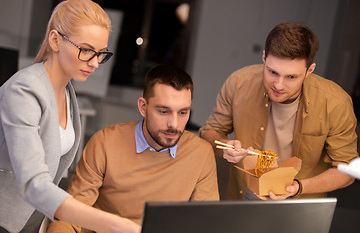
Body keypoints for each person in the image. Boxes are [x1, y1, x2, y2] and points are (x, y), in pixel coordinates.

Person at [0, 0, 140, 233]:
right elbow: (34, 183)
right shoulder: (23, 91)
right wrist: (114, 223)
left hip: (30, 221)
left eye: (101, 53)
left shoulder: (67, 91)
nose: (95, 63)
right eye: (86, 50)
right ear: (55, 40)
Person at [46, 64, 219, 232]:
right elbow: (71, 215)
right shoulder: (105, 143)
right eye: (163, 111)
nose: (174, 124)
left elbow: (207, 223)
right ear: (143, 107)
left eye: (183, 112)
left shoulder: (201, 154)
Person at [199, 22, 358, 200]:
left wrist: (297, 188)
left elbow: (347, 169)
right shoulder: (239, 83)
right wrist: (223, 146)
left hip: (301, 197)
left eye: (291, 77)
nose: (278, 85)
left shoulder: (336, 103)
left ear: (309, 70)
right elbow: (209, 131)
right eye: (273, 72)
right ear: (264, 58)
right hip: (247, 191)